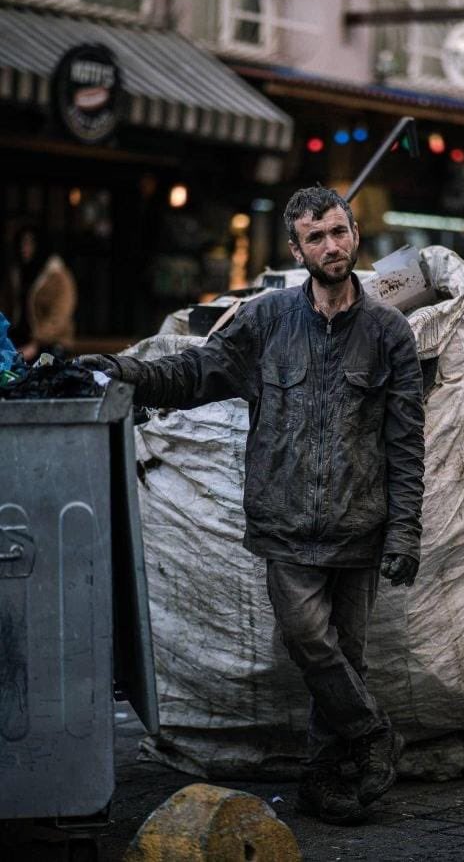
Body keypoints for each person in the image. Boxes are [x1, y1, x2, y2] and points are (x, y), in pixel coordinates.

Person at [80, 187, 425, 825]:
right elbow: (195, 373)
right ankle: (375, 735)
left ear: (355, 236)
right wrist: (128, 372)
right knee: (308, 642)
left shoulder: (388, 332)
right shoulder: (265, 321)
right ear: (296, 250)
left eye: (339, 232)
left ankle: (330, 783)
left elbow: (406, 442)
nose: (332, 246)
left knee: (345, 659)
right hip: (285, 526)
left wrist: (405, 533)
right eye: (316, 237)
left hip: (359, 527)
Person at [7, 224, 77, 362]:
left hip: (51, 343)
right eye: (22, 243)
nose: (24, 249)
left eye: (29, 243)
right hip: (19, 340)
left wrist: (36, 344)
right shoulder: (16, 273)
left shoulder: (57, 275)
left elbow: (59, 317)